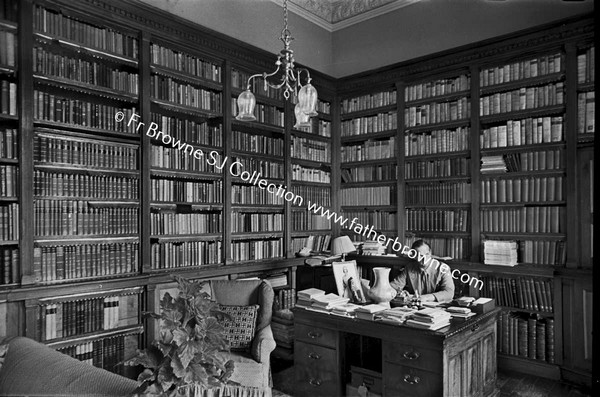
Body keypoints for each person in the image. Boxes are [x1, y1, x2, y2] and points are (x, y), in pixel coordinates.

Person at [390, 240, 454, 302]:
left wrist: (425, 298)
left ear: (430, 253)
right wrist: (399, 293)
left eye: (427, 254)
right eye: (420, 256)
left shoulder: (443, 268)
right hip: (415, 307)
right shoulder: (409, 267)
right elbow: (393, 287)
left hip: (436, 308)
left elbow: (449, 293)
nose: (424, 259)